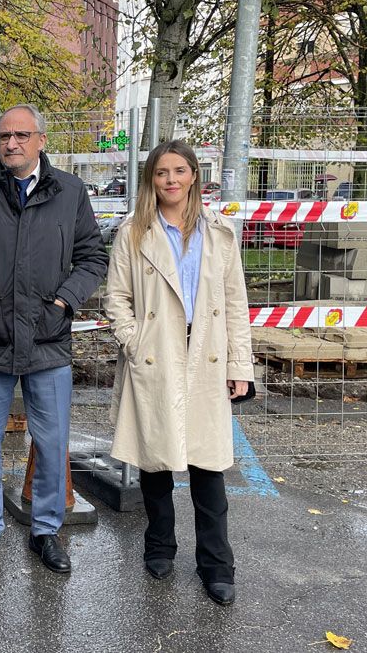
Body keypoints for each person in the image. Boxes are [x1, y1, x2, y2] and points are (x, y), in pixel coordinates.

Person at [0, 104, 108, 574]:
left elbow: (93, 257)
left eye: (21, 135)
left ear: (41, 141)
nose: (11, 143)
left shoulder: (70, 193)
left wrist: (63, 304)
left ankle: (46, 529)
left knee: (51, 443)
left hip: (49, 340)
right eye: (4, 135)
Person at [104, 139, 254, 606]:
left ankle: (216, 564)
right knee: (156, 463)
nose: (170, 180)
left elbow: (235, 304)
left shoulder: (220, 233)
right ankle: (160, 545)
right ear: (151, 179)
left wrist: (239, 365)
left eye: (179, 171)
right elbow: (117, 298)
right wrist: (136, 341)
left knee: (208, 469)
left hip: (206, 359)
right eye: (161, 172)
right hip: (156, 358)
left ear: (194, 176)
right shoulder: (133, 233)